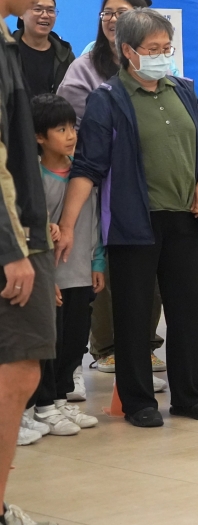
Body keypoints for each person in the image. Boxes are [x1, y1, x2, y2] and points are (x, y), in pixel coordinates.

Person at [56, 9, 198, 428]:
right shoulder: (107, 98)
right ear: (128, 51)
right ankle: (138, 402)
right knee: (133, 314)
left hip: (186, 218)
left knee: (188, 312)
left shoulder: (183, 90)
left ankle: (188, 395)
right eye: (153, 49)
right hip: (134, 222)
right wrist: (69, 225)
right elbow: (88, 167)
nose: (163, 56)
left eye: (167, 48)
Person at [0, 0, 67, 525]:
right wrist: (11, 247)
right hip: (11, 243)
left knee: (17, 373)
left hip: (24, 231)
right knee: (15, 372)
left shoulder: (5, 42)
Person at [56, 0, 164, 374]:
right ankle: (106, 346)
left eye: (122, 12)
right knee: (103, 264)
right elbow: (68, 127)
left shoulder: (158, 67)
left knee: (148, 266)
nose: (113, 20)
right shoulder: (85, 67)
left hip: (147, 183)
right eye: (107, 13)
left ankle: (146, 343)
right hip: (99, 181)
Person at [26, 93, 102, 438]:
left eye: (73, 127)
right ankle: (43, 406)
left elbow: (95, 220)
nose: (71, 135)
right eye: (61, 129)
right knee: (49, 344)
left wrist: (97, 261)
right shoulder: (33, 177)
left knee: (73, 342)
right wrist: (47, 278)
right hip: (50, 277)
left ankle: (59, 399)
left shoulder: (82, 174)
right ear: (39, 136)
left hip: (81, 272)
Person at [13, 0, 73, 97]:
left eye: (50, 10)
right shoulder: (6, 51)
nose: (45, 15)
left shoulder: (65, 55)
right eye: (37, 9)